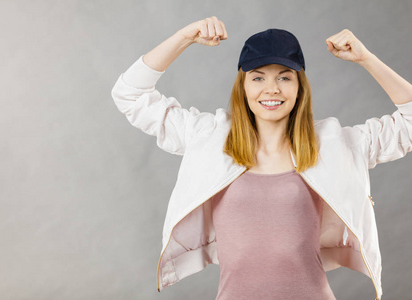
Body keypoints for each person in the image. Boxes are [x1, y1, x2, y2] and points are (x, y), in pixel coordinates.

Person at [112, 16, 412, 299]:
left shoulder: (335, 144)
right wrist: (184, 37)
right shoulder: (209, 138)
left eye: (284, 78)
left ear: (299, 88)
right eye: (258, 78)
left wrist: (366, 59)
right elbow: (130, 94)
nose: (271, 89)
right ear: (243, 87)